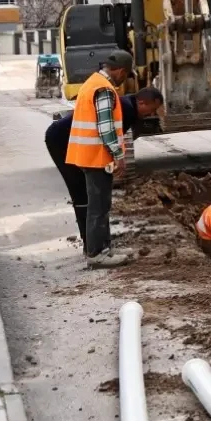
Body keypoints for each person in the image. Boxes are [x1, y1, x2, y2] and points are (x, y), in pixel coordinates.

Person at [45, 87, 164, 242]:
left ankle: (92, 241)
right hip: (60, 140)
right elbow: (110, 138)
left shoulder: (128, 104)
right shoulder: (127, 109)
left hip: (73, 141)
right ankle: (91, 244)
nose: (152, 114)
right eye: (152, 109)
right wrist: (116, 161)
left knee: (88, 192)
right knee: (80, 190)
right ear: (142, 103)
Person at [65, 50, 135, 269]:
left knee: (101, 205)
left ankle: (103, 249)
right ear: (121, 71)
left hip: (90, 156)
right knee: (98, 207)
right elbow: (106, 129)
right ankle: (96, 254)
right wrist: (119, 156)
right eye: (126, 75)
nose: (125, 79)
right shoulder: (103, 89)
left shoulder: (93, 82)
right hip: (96, 157)